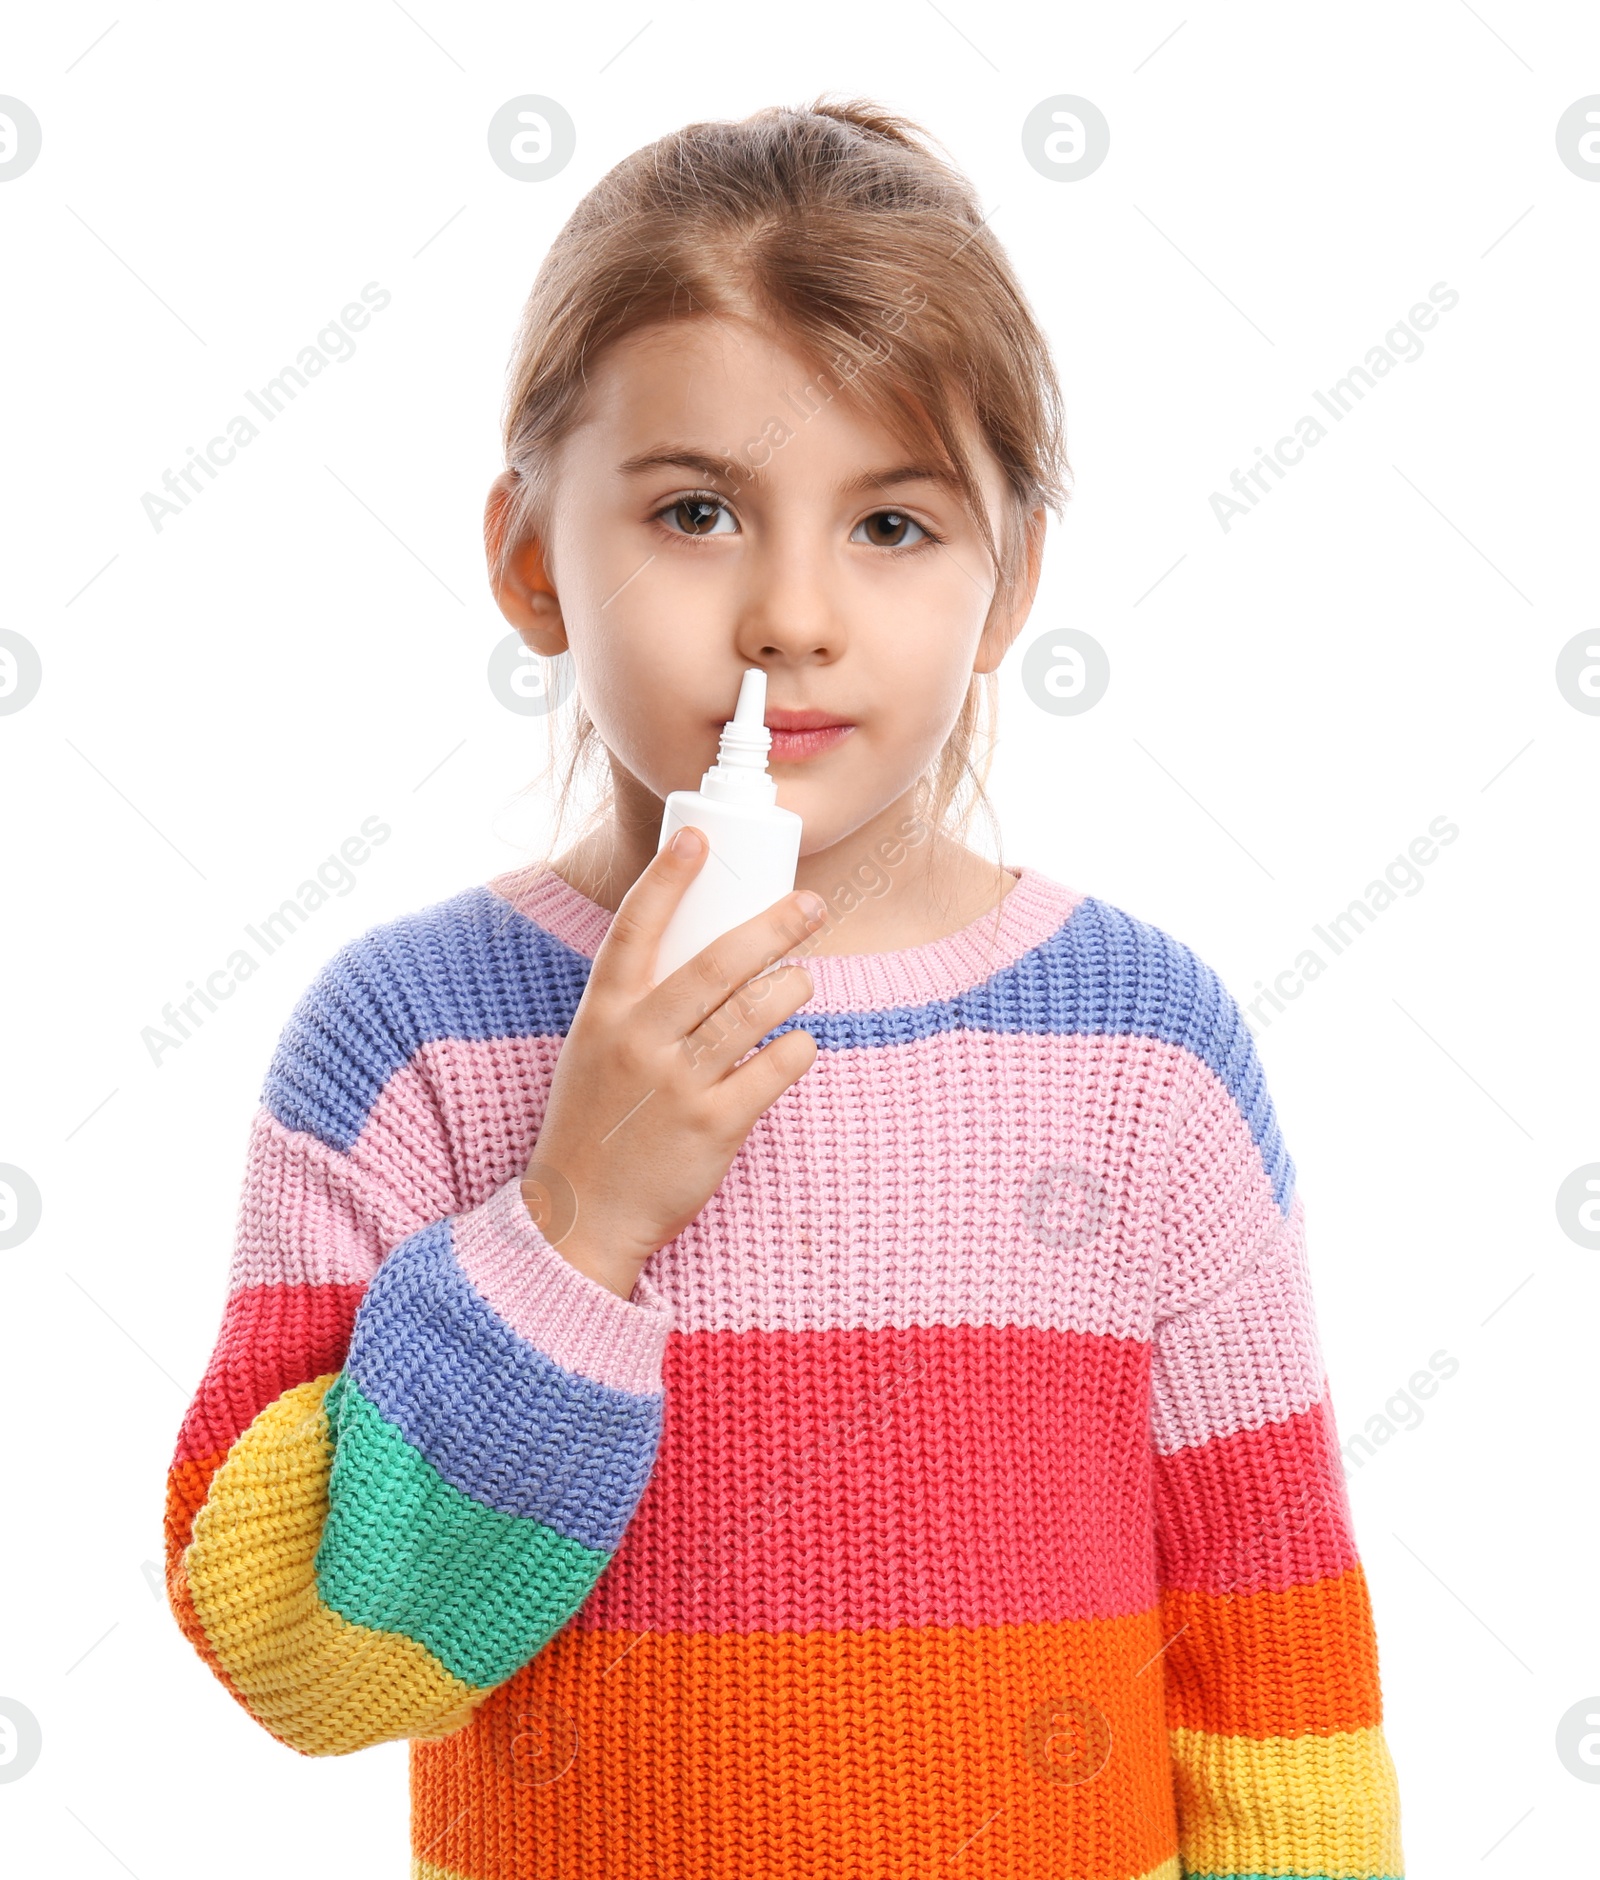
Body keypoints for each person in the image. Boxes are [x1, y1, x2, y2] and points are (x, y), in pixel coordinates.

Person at [163, 95, 1405, 1880]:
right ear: (530, 559)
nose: (792, 618)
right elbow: (310, 1666)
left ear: (1008, 585)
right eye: (695, 512)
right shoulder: (411, 1045)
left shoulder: (1149, 1056)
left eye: (892, 527)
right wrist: (569, 1227)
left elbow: (1270, 1682)